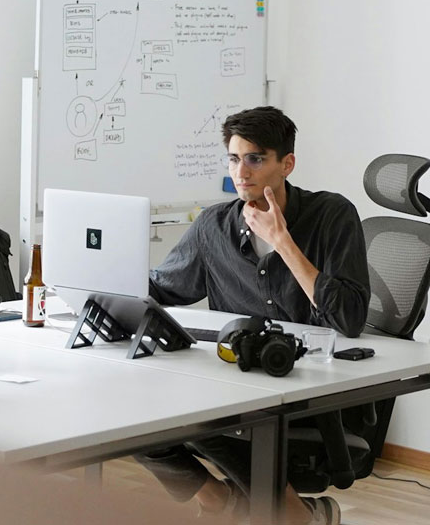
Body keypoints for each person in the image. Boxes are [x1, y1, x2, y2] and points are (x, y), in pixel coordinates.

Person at [138, 106, 370, 525]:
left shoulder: (332, 216)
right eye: (233, 158)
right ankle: (220, 499)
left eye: (255, 159)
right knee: (131, 413)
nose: (241, 172)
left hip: (307, 383)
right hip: (232, 379)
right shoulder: (214, 225)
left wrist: (283, 243)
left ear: (287, 164)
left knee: (205, 416)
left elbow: (349, 317)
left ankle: (293, 515)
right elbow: (163, 289)